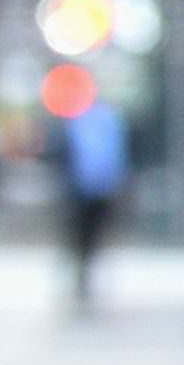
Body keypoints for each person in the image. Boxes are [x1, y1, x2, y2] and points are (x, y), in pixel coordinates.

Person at [56, 87, 133, 310]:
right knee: (83, 236)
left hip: (98, 188)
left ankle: (85, 277)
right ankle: (82, 277)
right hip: (85, 189)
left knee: (90, 236)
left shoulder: (103, 122)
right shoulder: (86, 122)